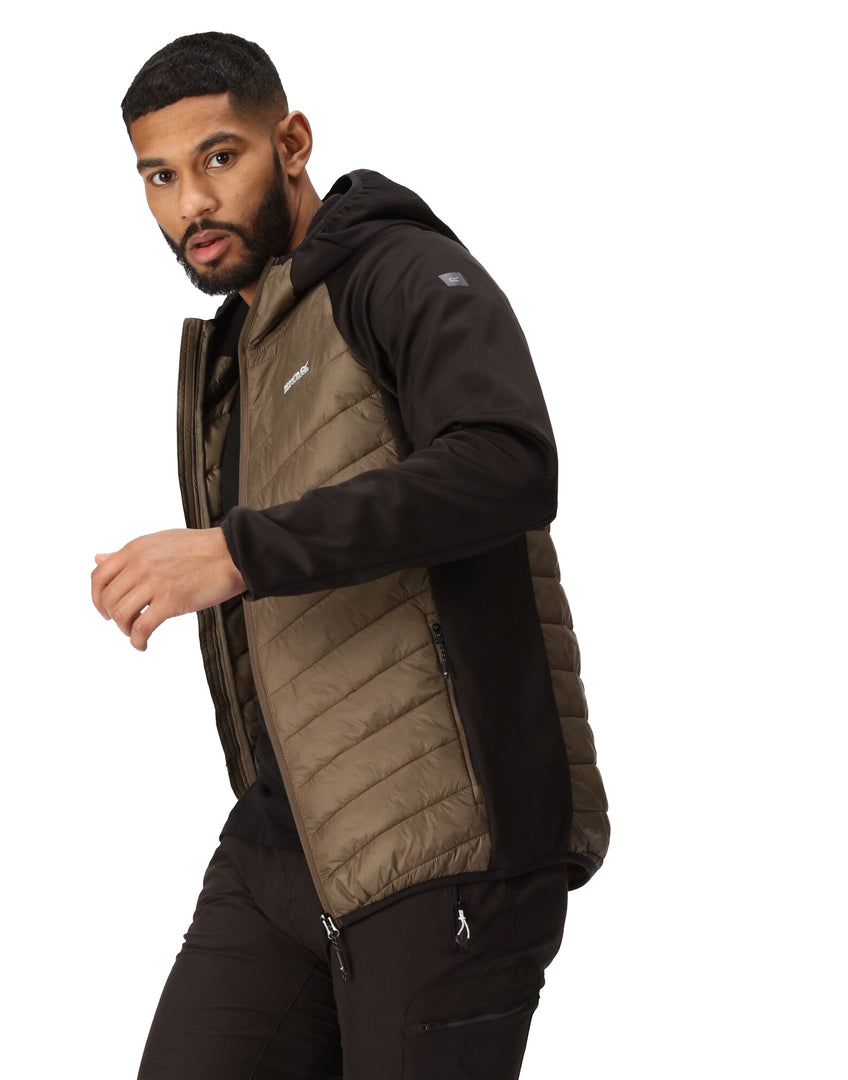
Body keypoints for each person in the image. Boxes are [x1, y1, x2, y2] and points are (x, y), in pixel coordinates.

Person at [92, 30, 610, 1079]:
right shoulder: (243, 347)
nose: (193, 202)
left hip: (445, 846)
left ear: (291, 143)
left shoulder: (398, 271)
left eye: (219, 157)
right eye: (161, 176)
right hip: (285, 840)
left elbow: (507, 462)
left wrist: (236, 551)